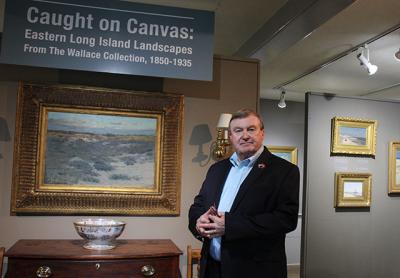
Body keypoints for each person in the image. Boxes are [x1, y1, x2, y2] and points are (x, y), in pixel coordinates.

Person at [188, 108, 300, 278]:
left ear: (262, 133)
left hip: (254, 271)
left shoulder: (284, 171)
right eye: (238, 130)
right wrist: (198, 222)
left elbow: (285, 219)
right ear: (231, 137)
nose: (245, 135)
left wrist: (230, 226)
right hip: (211, 269)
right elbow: (198, 205)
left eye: (251, 129)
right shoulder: (217, 169)